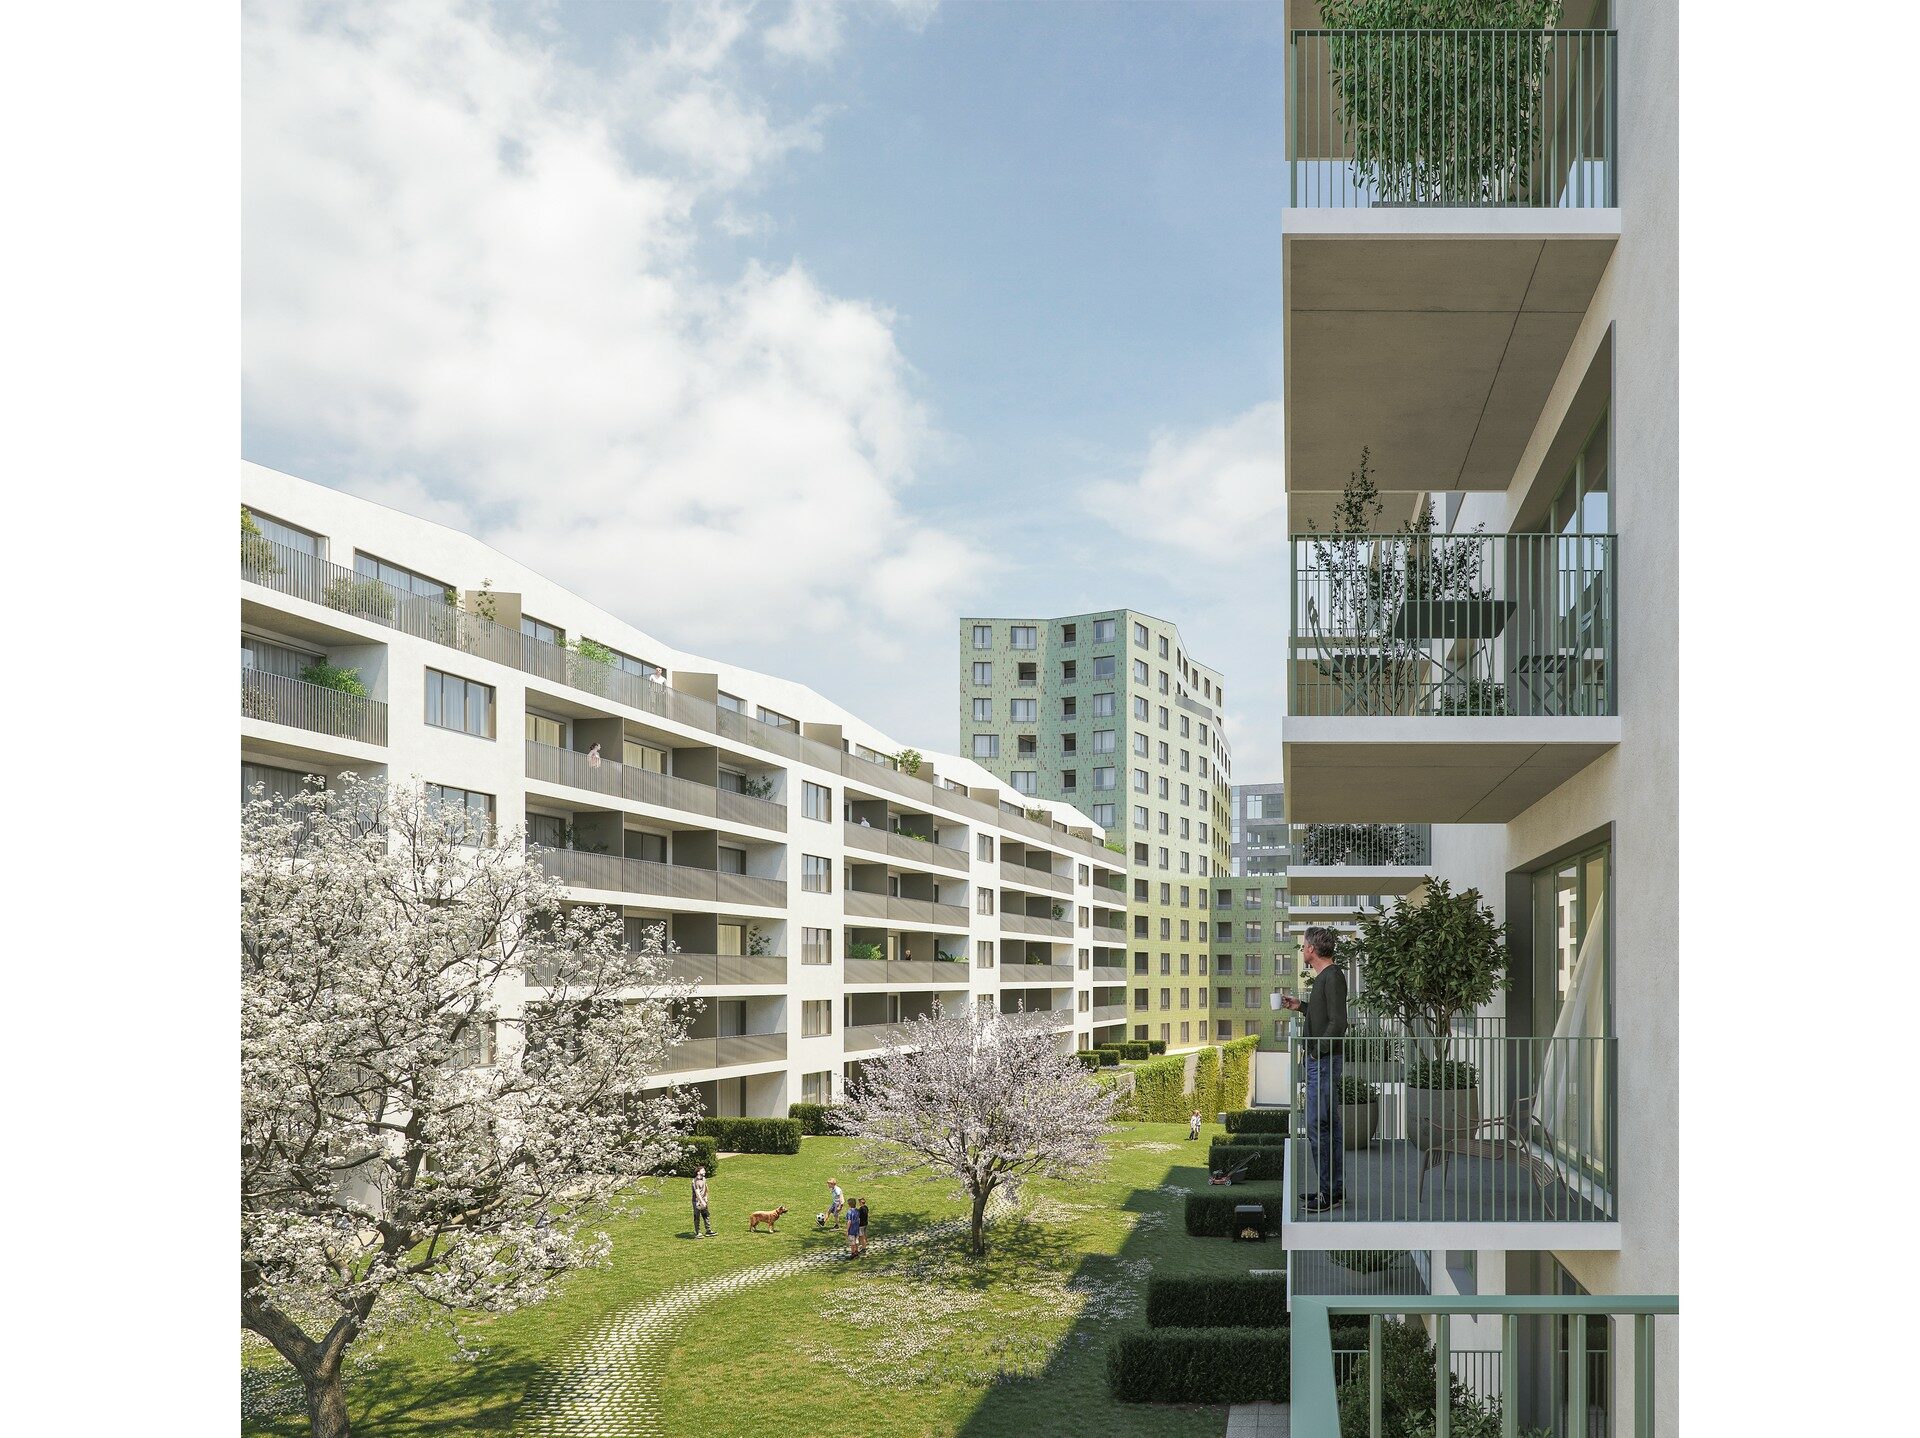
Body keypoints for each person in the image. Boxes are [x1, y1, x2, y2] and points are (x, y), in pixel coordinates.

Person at [1280, 927, 1349, 1212]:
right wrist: (1302, 1007)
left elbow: (1339, 1022)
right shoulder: (1326, 977)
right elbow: (1324, 1016)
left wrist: (1316, 1050)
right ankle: (1331, 1190)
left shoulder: (1332, 976)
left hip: (1321, 1061)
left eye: (1304, 945)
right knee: (1326, 1126)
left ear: (1311, 949)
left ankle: (1328, 1194)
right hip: (1320, 1060)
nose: (1303, 949)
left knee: (1317, 1127)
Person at [690, 1165, 714, 1237]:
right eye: (703, 1170)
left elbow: (706, 1187)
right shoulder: (695, 1181)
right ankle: (697, 1232)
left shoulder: (704, 1179)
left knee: (706, 1215)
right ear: (698, 1172)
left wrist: (706, 1196)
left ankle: (708, 1230)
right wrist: (701, 1201)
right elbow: (697, 1193)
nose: (705, 1172)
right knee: (697, 1217)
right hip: (697, 1201)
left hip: (703, 1199)